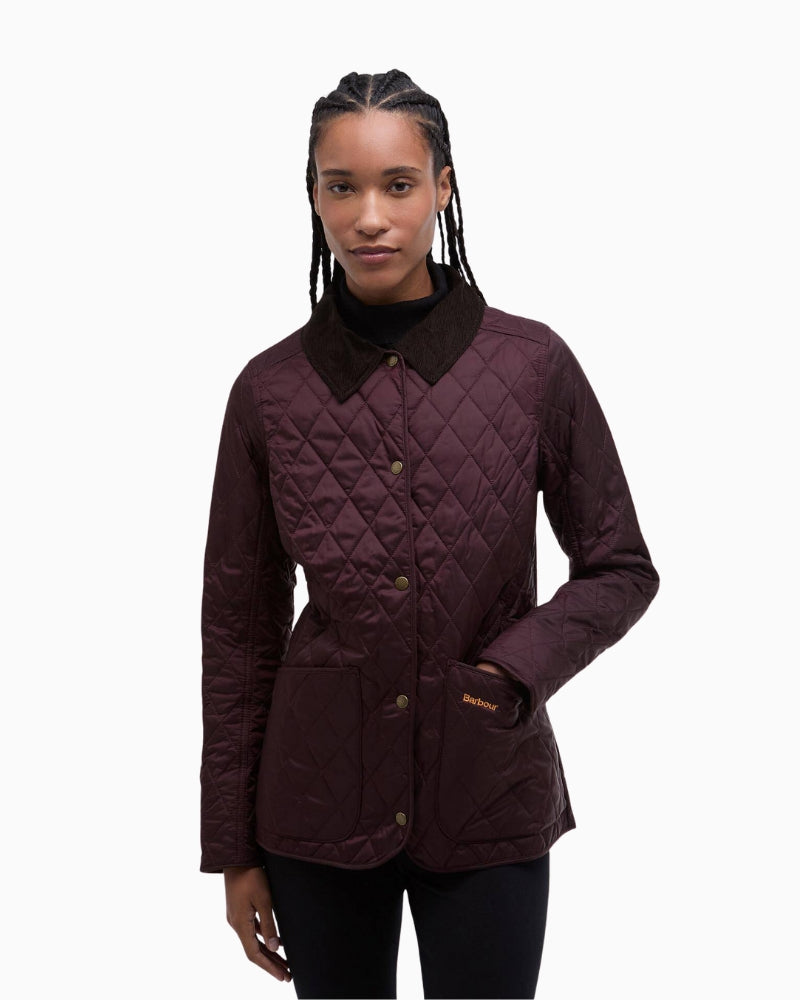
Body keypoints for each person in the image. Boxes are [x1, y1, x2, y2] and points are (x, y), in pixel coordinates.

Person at [199, 69, 660, 999]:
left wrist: (511, 672)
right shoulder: (269, 391)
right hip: (315, 801)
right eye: (342, 186)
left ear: (444, 188)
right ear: (313, 194)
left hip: (489, 789)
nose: (369, 217)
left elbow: (619, 567)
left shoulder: (532, 365)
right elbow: (239, 633)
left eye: (398, 185)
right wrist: (232, 847)